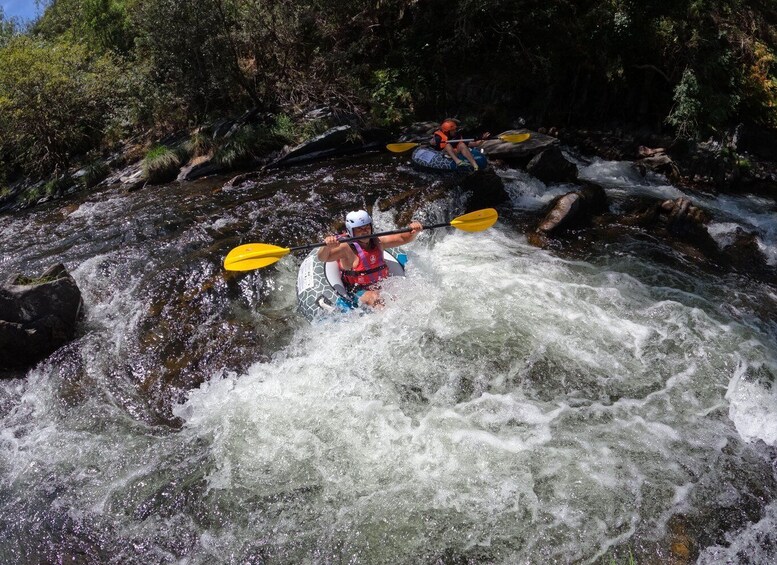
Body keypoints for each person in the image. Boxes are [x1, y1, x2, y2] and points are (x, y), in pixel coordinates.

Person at [318, 209, 423, 308]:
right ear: (351, 230)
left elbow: (402, 238)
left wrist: (414, 231)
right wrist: (326, 246)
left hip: (382, 284)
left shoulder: (378, 241)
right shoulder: (345, 247)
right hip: (357, 290)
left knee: (405, 293)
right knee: (374, 297)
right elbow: (323, 258)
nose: (364, 231)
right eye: (359, 229)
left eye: (367, 227)